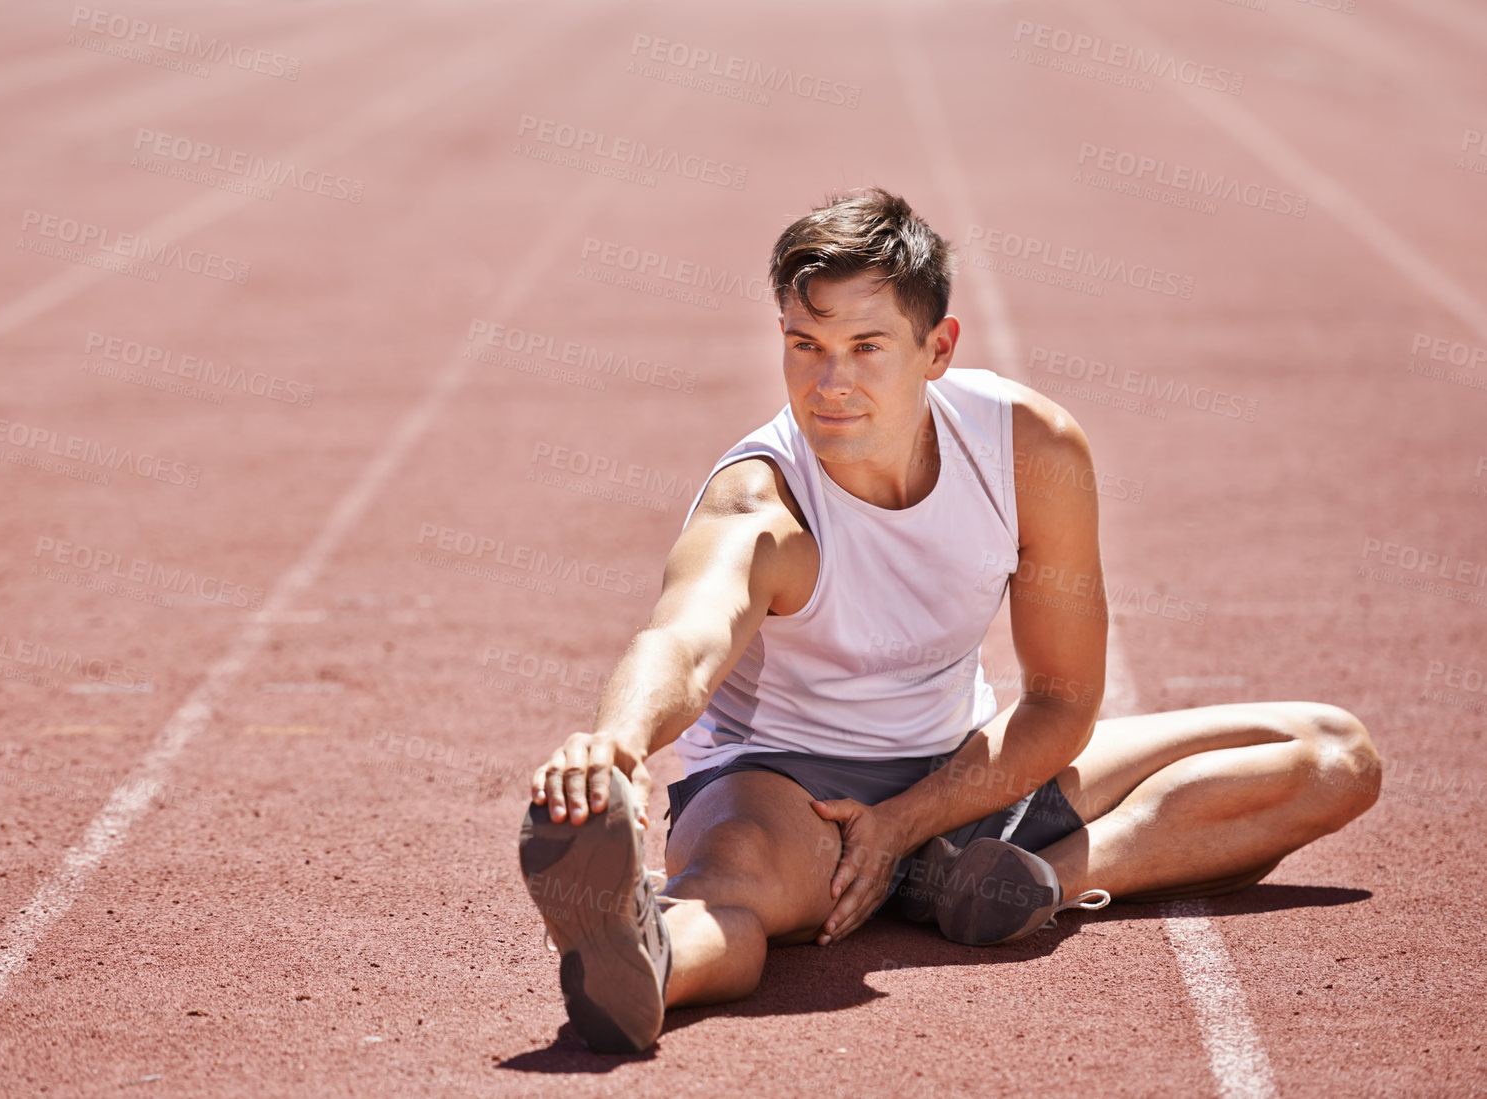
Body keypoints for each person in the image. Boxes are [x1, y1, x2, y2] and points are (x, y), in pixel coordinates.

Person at [516, 187, 1382, 1054]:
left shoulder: (1028, 450)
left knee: (1333, 753)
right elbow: (683, 640)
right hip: (790, 797)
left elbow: (1061, 701)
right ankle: (647, 962)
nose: (830, 382)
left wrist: (908, 823)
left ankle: (1029, 879)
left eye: (866, 347)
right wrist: (615, 745)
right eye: (804, 345)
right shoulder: (761, 503)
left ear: (938, 348)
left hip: (966, 778)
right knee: (720, 894)